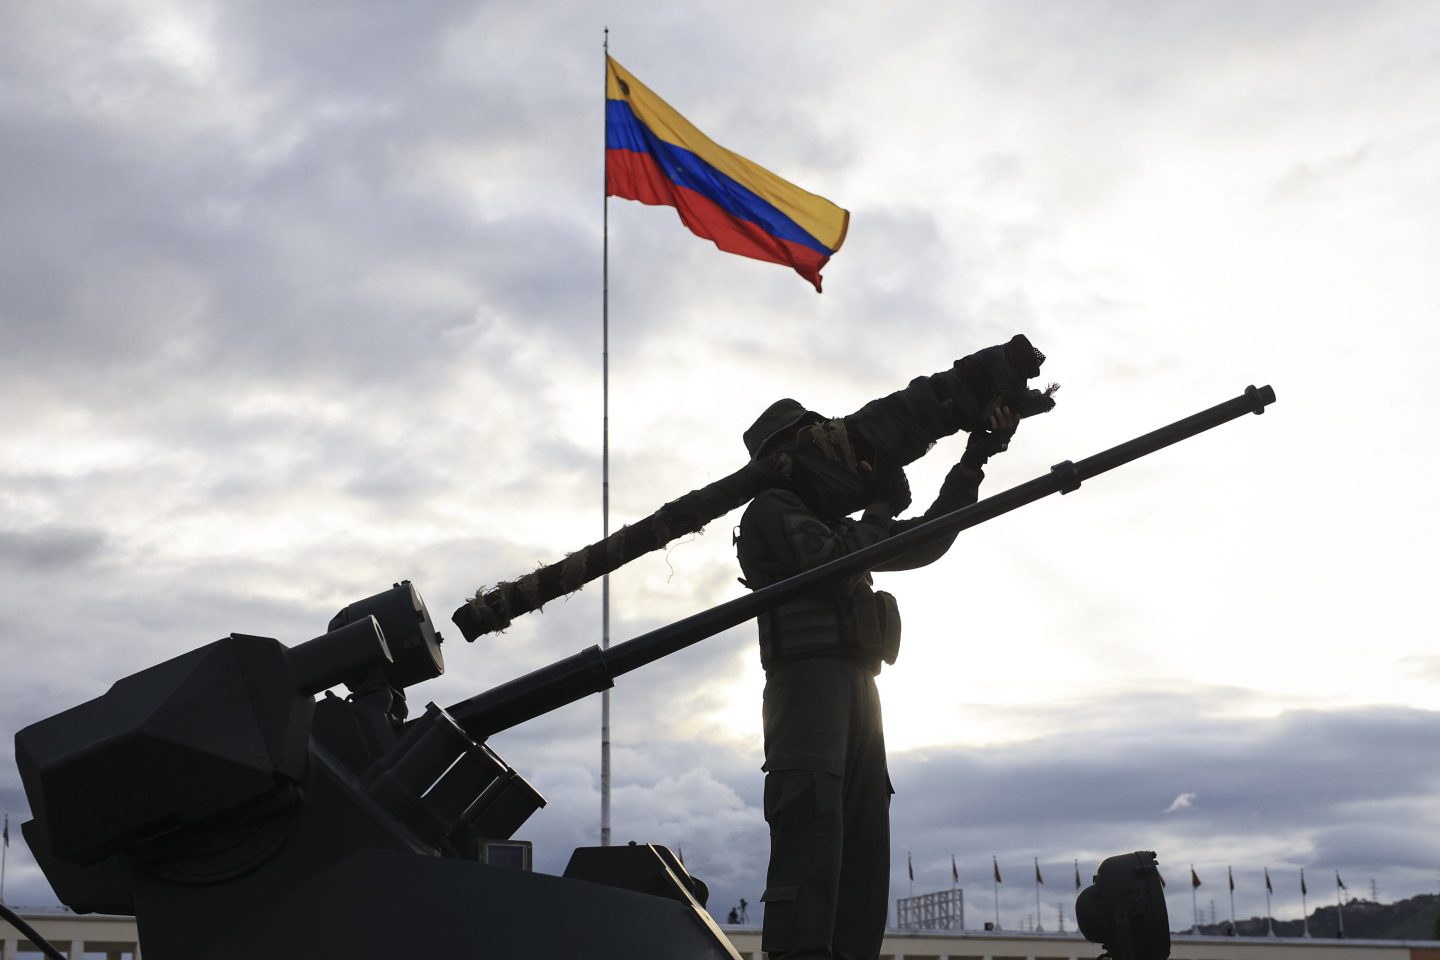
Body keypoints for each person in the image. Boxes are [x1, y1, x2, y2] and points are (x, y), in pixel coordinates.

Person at [736, 398, 1018, 960]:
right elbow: (833, 558)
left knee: (864, 852)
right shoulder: (771, 507)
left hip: (860, 692)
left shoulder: (831, 521)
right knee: (812, 839)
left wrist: (974, 460)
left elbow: (927, 542)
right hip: (807, 693)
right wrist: (880, 511)